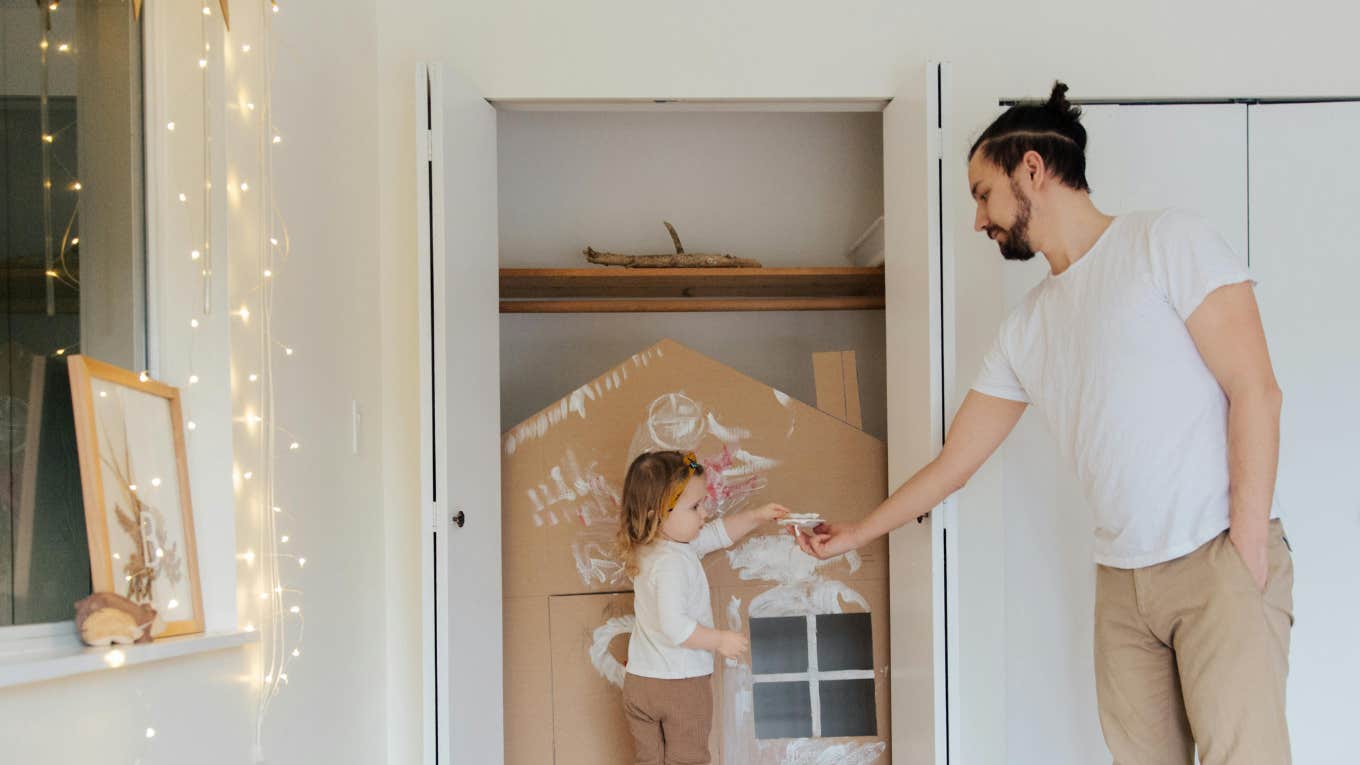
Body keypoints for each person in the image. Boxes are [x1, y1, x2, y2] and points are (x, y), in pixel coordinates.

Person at [796, 82, 1293, 765]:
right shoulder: (1026, 328)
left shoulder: (1163, 240)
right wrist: (858, 530)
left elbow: (1256, 390)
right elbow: (954, 464)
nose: (978, 221)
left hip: (1216, 558)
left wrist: (1246, 552)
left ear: (1031, 169)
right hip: (1123, 585)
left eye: (981, 193)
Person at [617, 450, 788, 765]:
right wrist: (719, 640)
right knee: (688, 759)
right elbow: (675, 627)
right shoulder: (672, 563)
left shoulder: (653, 547)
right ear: (657, 514)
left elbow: (716, 534)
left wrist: (755, 516)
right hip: (679, 686)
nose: (704, 513)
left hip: (640, 682)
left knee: (649, 760)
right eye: (695, 507)